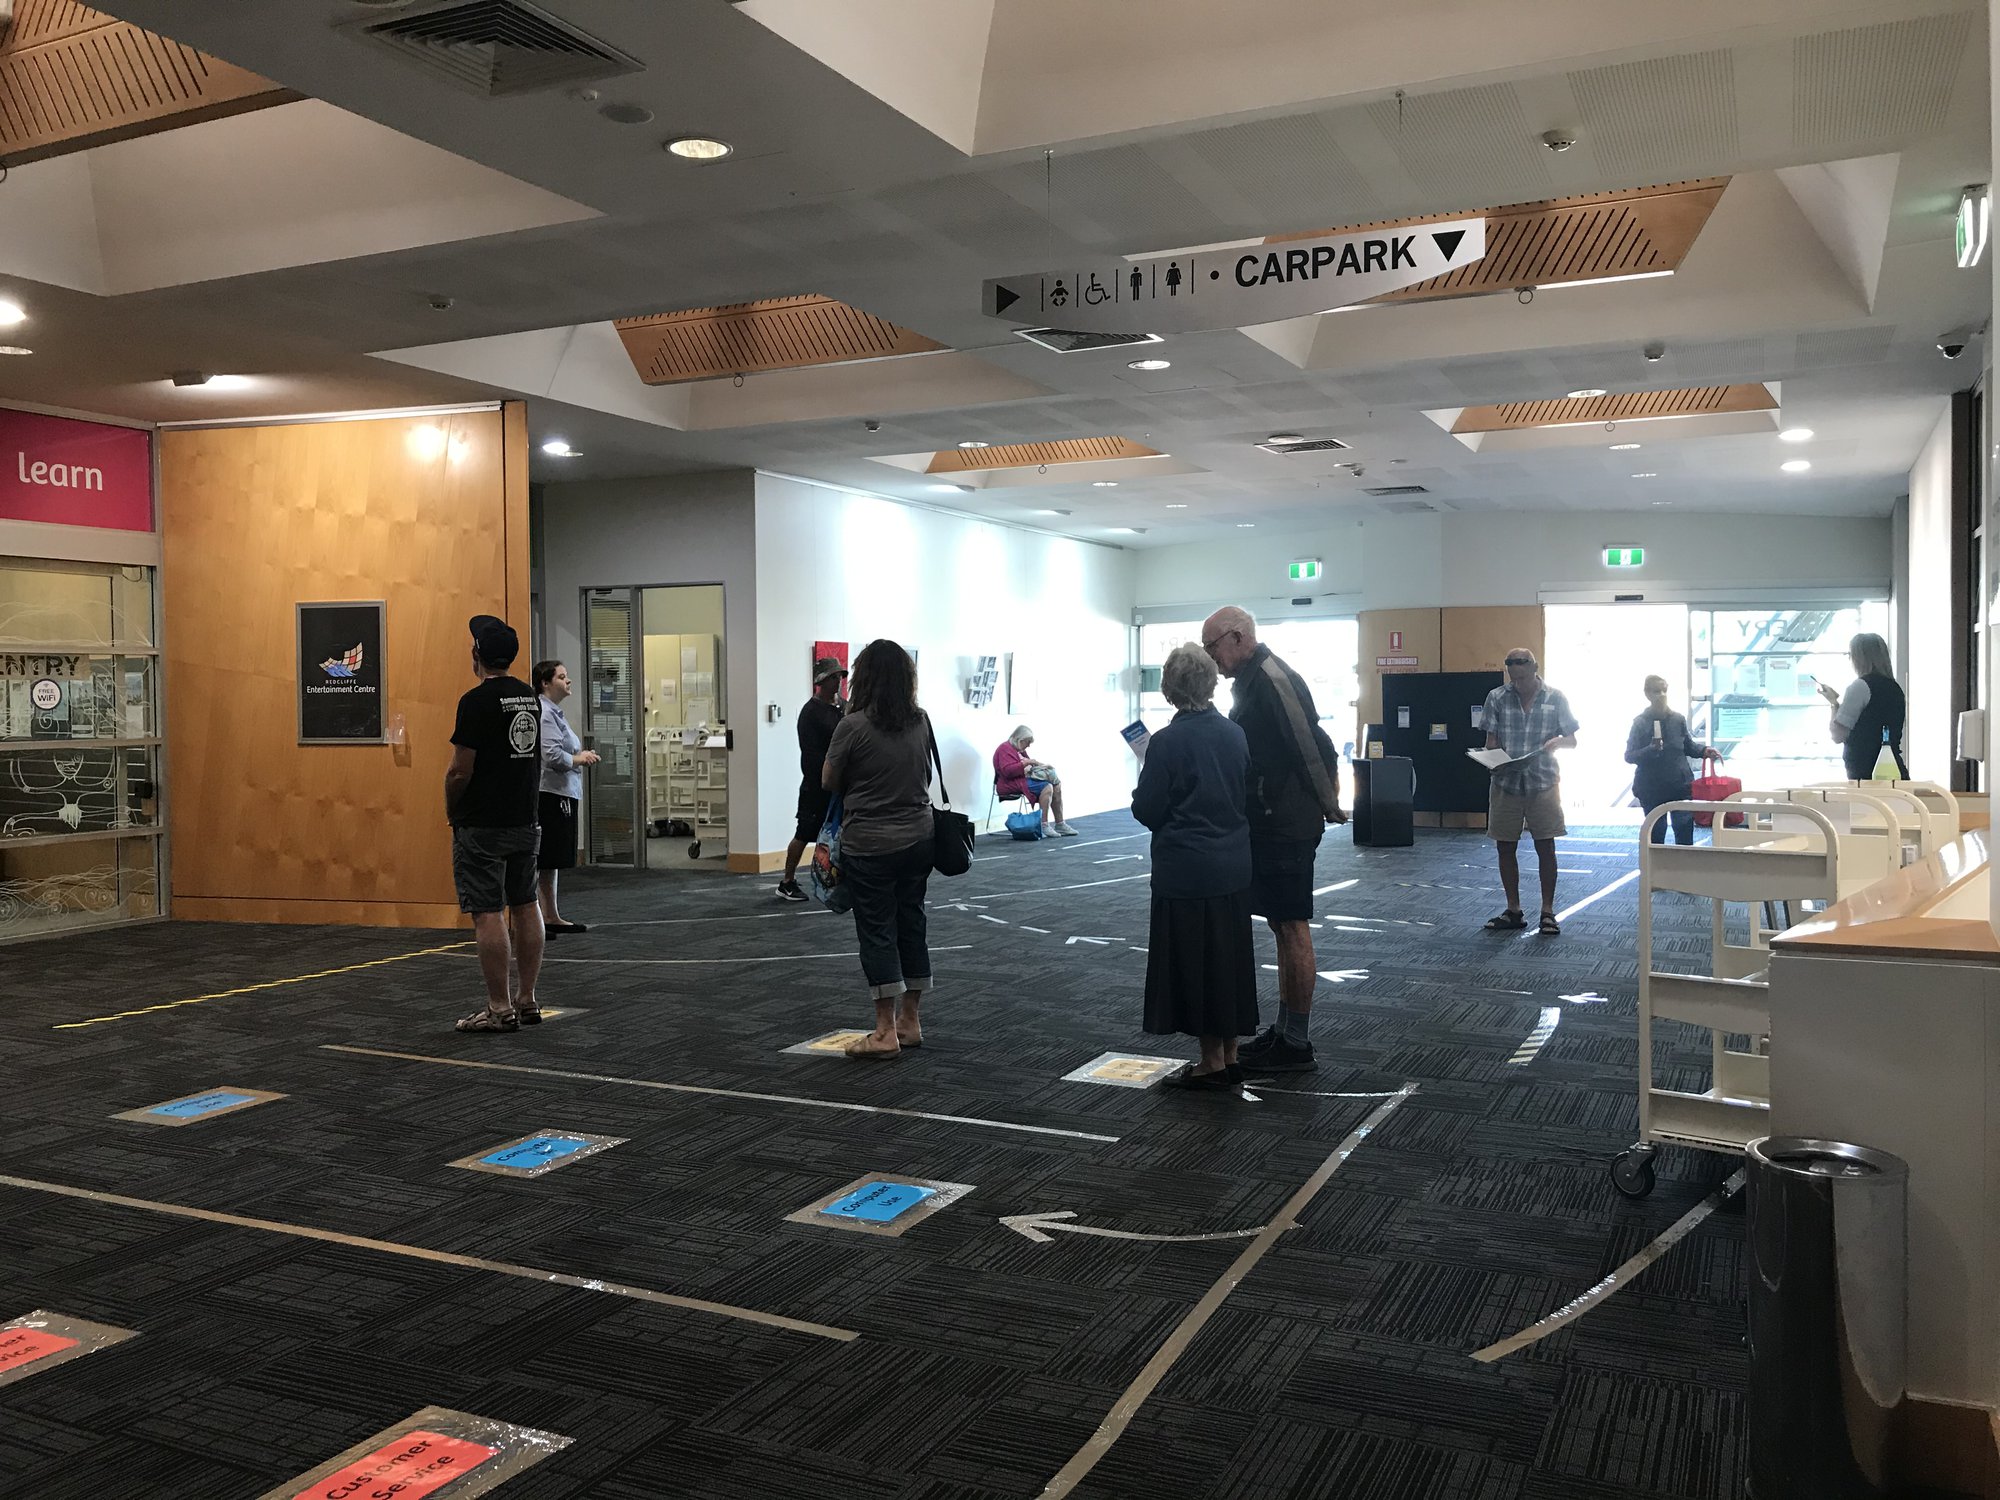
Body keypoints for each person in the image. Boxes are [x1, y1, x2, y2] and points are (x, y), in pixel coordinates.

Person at [1201, 606, 1346, 1073]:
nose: (1211, 659)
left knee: (1292, 925)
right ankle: (1285, 1032)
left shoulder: (1272, 678)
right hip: (1270, 821)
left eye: (1213, 647)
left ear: (1238, 637)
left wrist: (1329, 804)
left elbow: (1311, 746)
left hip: (1288, 824)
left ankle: (1297, 1042)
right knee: (1281, 926)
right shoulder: (1249, 681)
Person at [1132, 643, 1257, 1091]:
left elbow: (1147, 809)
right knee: (1230, 961)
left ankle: (1210, 1063)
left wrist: (1145, 766)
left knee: (1197, 965)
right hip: (1233, 866)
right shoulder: (1234, 734)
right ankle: (1230, 1053)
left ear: (1169, 688)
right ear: (1210, 682)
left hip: (1186, 871)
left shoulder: (1166, 743)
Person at [823, 639, 935, 1058]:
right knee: (912, 924)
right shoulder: (921, 721)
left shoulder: (851, 727)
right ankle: (911, 1020)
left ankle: (884, 1031)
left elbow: (828, 780)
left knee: (877, 931)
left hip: (869, 843)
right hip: (919, 839)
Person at [447, 616, 546, 1032]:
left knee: (487, 911)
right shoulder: (530, 698)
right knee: (526, 903)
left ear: (476, 656)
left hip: (483, 822)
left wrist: (452, 810)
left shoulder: (475, 701)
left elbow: (460, 771)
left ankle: (499, 1007)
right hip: (525, 817)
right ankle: (527, 999)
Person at [1481, 647, 1579, 936]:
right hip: (1506, 782)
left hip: (1543, 782)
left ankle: (1548, 911)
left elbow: (1572, 740)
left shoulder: (1556, 697)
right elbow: (1490, 741)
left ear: (1535, 666)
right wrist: (1492, 759)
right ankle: (1514, 909)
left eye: (1522, 666)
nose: (1517, 673)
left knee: (1545, 846)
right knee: (1504, 845)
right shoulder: (1496, 697)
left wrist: (1557, 743)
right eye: (1511, 666)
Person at [533, 660, 599, 934]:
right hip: (550, 794)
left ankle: (551, 915)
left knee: (553, 860)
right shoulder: (546, 715)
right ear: (546, 683)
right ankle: (538, 918)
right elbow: (551, 756)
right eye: (562, 677)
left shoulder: (555, 713)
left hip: (561, 792)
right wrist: (579, 758)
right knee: (545, 857)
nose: (568, 680)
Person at [777, 657, 846, 901]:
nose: (838, 681)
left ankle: (840, 879)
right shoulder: (810, 713)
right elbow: (810, 755)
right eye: (833, 677)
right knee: (804, 832)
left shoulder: (844, 707)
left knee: (842, 834)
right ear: (821, 681)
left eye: (839, 676)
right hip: (817, 785)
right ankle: (787, 881)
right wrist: (825, 777)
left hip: (842, 787)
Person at [1625, 675, 1711, 846]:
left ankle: (1684, 871)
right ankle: (1656, 872)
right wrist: (1650, 749)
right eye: (1657, 691)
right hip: (1651, 789)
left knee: (1685, 835)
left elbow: (1687, 746)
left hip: (1680, 786)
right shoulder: (1640, 723)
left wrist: (1705, 751)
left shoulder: (1677, 719)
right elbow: (1629, 755)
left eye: (1664, 690)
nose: (1662, 695)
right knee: (1656, 836)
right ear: (1647, 694)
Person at [1817, 631, 1908, 780]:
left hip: (1866, 774)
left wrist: (1834, 704)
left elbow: (1838, 735)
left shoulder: (1860, 687)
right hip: (1892, 769)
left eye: (1850, 654)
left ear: (1859, 657)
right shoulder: (1895, 688)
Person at [993, 725, 1077, 835]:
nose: (1028, 746)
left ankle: (1060, 823)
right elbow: (1007, 772)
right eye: (1027, 742)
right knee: (1047, 787)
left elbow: (1025, 767)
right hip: (1009, 783)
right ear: (1020, 740)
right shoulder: (1004, 749)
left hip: (1021, 780)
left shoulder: (1018, 749)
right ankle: (1044, 824)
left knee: (1056, 785)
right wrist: (1026, 763)